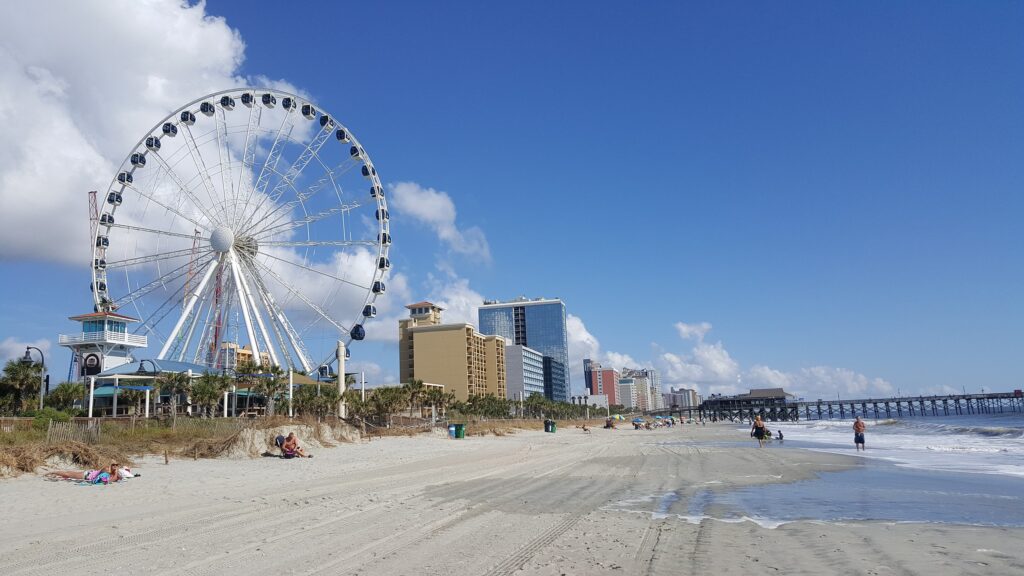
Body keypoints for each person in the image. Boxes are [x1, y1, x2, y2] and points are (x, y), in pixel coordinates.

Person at [46, 462, 123, 484]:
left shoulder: (114, 474)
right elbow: (101, 478)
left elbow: (113, 479)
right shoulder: (106, 469)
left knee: (68, 475)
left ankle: (55, 475)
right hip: (87, 475)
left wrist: (116, 475)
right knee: (68, 474)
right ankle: (53, 472)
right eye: (113, 465)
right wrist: (115, 474)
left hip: (89, 475)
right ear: (111, 465)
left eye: (117, 465)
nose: (115, 466)